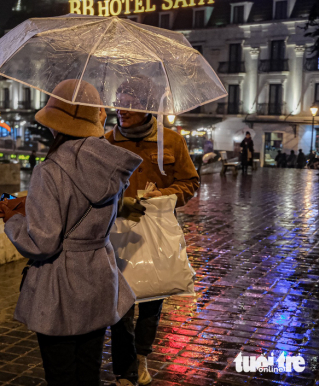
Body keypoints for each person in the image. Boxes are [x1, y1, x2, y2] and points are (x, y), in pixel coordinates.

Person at [0, 80, 142, 386]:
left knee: (61, 376)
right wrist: (29, 203)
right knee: (88, 373)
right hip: (99, 280)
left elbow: (42, 242)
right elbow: (86, 209)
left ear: (55, 124)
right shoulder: (110, 164)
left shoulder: (50, 170)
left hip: (61, 291)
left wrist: (11, 219)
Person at [105, 80, 200, 386]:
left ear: (146, 107)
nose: (121, 109)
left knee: (152, 300)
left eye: (129, 102)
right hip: (119, 231)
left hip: (157, 231)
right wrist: (122, 202)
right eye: (119, 102)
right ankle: (125, 370)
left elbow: (190, 183)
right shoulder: (106, 142)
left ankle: (141, 355)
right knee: (120, 304)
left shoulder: (170, 141)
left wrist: (162, 195)